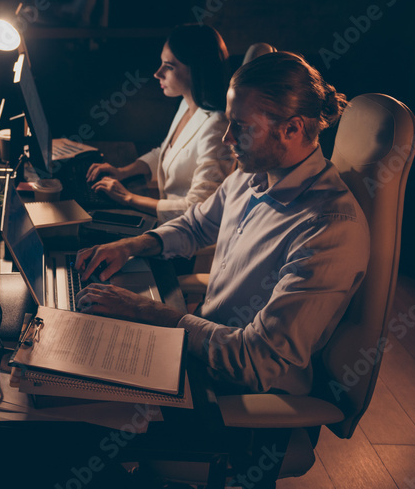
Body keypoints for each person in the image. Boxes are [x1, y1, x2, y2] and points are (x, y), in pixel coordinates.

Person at [75, 51, 369, 395]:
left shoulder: (329, 228)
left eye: (241, 127)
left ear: (292, 128)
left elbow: (257, 362)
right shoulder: (250, 176)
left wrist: (148, 312)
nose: (227, 138)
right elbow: (196, 225)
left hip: (235, 395)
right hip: (198, 349)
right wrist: (130, 246)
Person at [87, 24, 234, 223]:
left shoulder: (217, 127)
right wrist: (123, 172)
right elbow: (166, 152)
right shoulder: (187, 103)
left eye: (169, 66)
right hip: (169, 224)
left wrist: (128, 198)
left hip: (190, 239)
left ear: (197, 70)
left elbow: (199, 207)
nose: (158, 73)